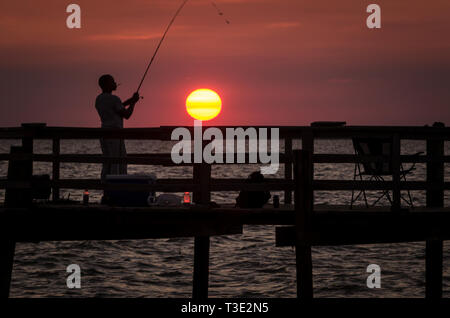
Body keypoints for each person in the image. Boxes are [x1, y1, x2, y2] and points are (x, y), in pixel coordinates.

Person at [95, 74, 140, 180]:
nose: (115, 83)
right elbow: (127, 114)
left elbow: (116, 108)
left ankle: (105, 187)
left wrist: (131, 100)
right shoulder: (114, 99)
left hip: (104, 135)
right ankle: (117, 186)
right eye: (112, 81)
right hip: (115, 135)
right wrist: (133, 103)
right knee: (118, 162)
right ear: (106, 85)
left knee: (107, 163)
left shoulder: (99, 99)